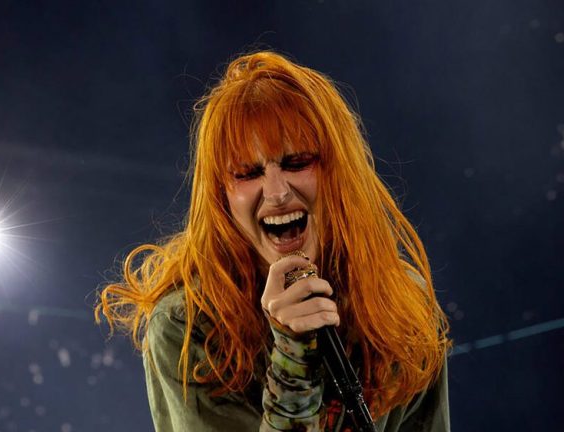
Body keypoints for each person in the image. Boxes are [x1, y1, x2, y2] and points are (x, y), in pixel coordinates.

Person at [95, 50, 451, 432]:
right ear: (222, 197)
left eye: (297, 163)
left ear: (339, 173)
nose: (277, 192)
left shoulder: (402, 306)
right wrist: (293, 365)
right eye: (247, 173)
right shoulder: (186, 326)